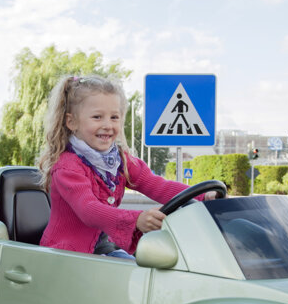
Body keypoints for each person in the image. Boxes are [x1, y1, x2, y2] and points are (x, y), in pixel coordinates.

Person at [37, 75, 216, 260]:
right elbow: (88, 209)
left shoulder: (120, 161)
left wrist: (203, 196)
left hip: (102, 250)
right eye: (97, 117)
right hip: (65, 255)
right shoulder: (67, 167)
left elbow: (157, 185)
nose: (108, 125)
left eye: (114, 117)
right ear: (71, 122)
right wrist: (137, 219)